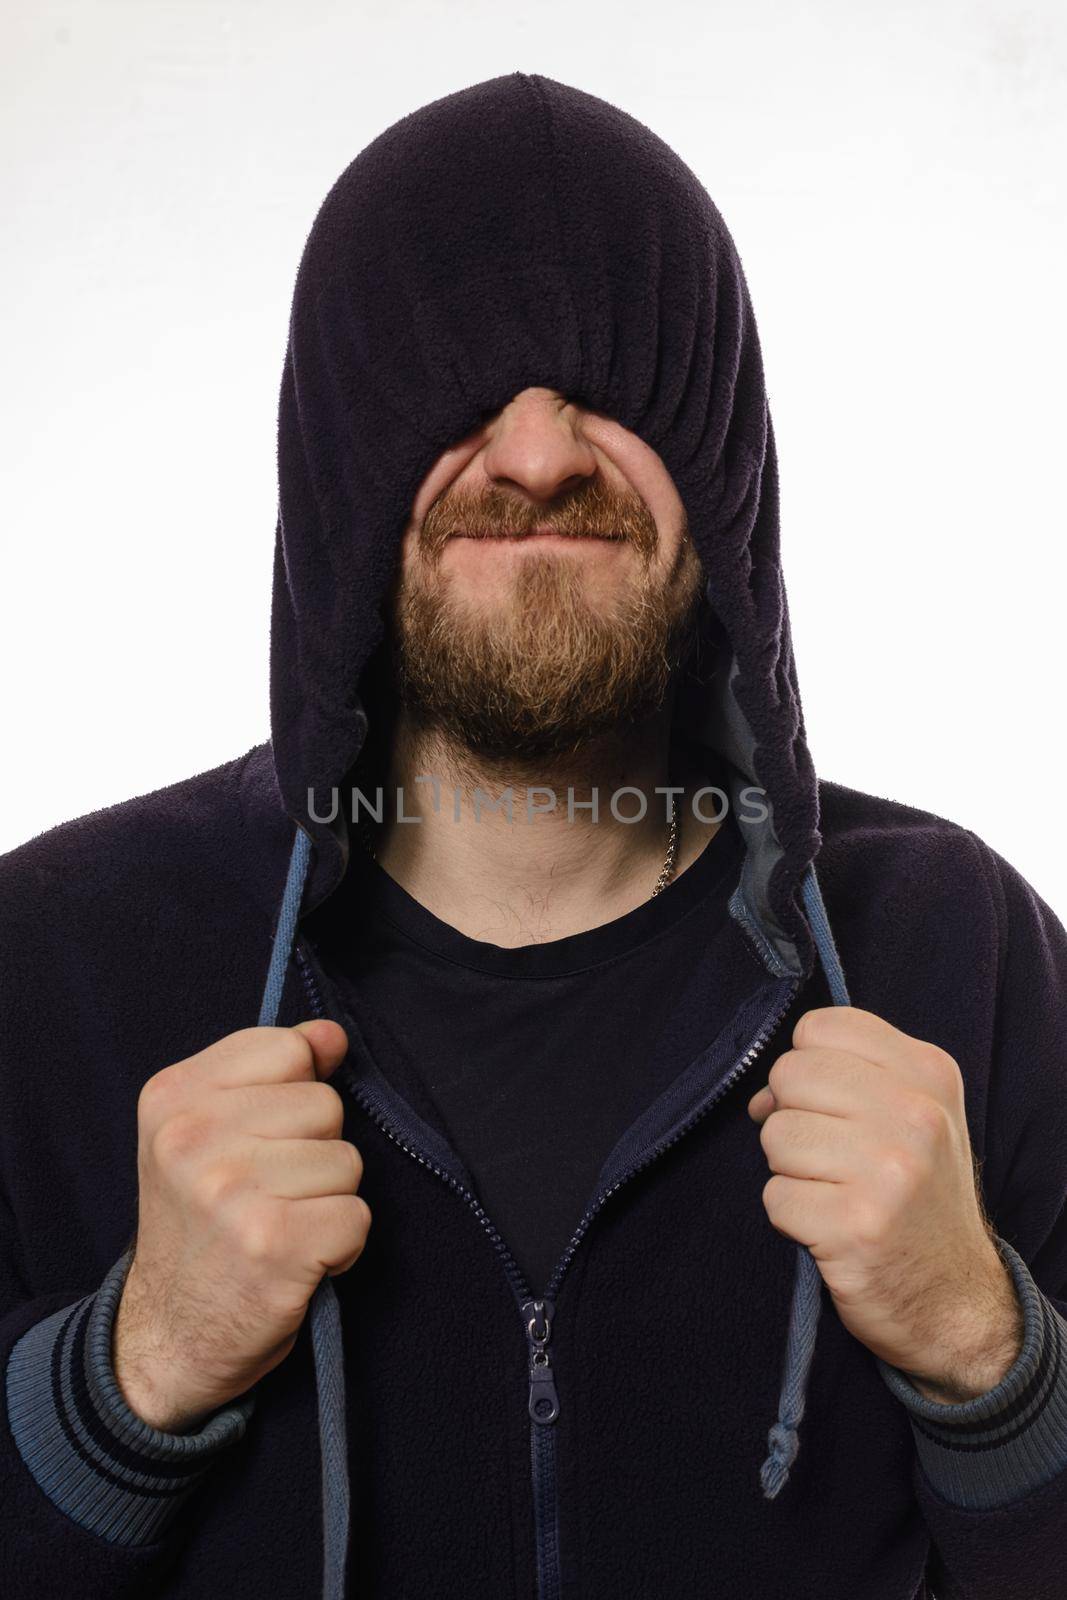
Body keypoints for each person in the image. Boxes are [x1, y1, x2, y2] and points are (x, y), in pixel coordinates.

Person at [1, 72, 1065, 1600]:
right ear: (344, 466)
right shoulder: (53, 969)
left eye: (613, 391)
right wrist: (126, 1377)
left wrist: (992, 1359)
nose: (538, 453)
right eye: (453, 391)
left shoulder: (967, 957)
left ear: (720, 469)